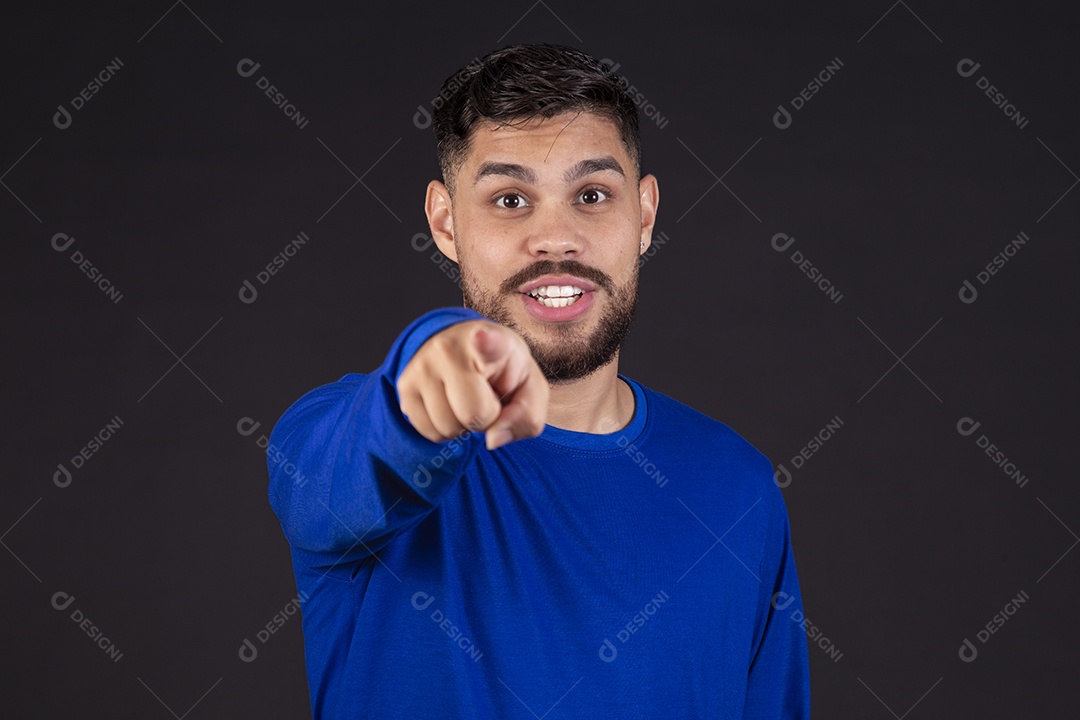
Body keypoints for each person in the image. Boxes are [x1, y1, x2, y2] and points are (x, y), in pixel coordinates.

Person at [268, 43, 810, 719]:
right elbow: (356, 460)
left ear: (643, 215)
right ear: (445, 222)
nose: (555, 239)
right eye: (510, 198)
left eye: (591, 195)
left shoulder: (740, 489)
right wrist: (425, 374)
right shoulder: (339, 439)